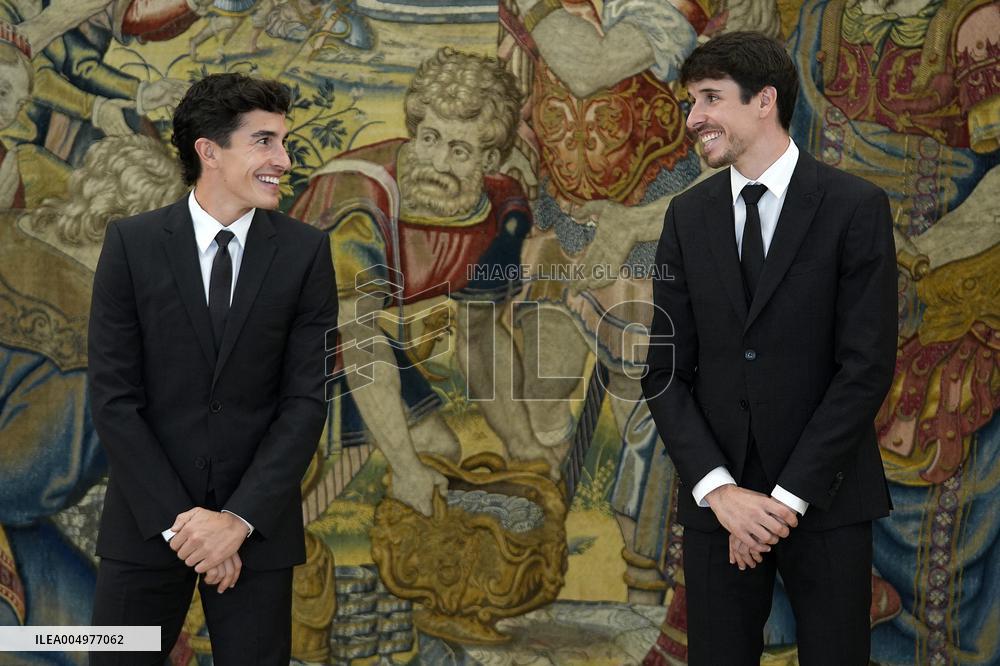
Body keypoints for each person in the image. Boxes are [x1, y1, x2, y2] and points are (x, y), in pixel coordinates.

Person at [641, 31, 897, 666]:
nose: (693, 118)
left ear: (765, 101)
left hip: (828, 498)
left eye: (708, 98)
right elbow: (664, 373)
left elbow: (864, 370)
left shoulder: (855, 208)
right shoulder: (686, 216)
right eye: (689, 102)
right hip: (717, 509)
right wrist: (721, 493)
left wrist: (782, 505)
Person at [87, 73, 338, 665]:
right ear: (209, 151)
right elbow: (113, 399)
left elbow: (306, 402)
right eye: (265, 141)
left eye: (284, 141)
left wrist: (237, 522)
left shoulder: (306, 253)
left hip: (258, 534)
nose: (284, 158)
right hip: (147, 527)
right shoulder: (131, 244)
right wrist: (187, 530)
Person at [290, 47, 538, 516]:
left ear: (489, 160)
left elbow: (480, 336)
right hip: (289, 344)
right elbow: (358, 336)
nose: (437, 163)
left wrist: (524, 445)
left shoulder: (500, 211)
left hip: (354, 343)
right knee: (402, 464)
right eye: (429, 138)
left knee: (437, 454)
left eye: (459, 150)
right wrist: (404, 468)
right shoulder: (359, 200)